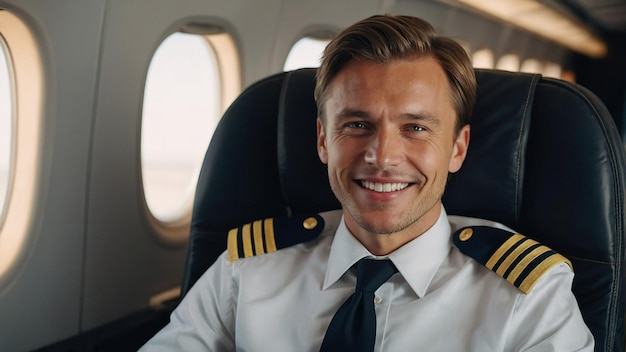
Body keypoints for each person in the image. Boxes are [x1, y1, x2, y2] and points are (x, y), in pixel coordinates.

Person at [140, 14, 593, 351]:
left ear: (457, 148)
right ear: (323, 140)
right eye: (357, 125)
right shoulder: (248, 271)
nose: (382, 157)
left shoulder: (527, 296)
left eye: (415, 128)